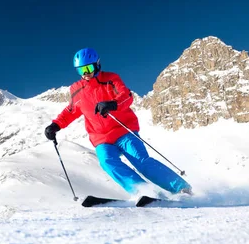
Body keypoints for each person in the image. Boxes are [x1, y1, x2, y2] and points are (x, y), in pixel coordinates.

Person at [44, 47, 192, 196]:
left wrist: (112, 104)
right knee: (107, 162)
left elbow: (127, 96)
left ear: (97, 65)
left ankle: (181, 189)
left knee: (141, 161)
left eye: (88, 68)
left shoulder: (111, 79)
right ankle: (144, 192)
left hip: (124, 131)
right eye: (81, 70)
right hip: (101, 138)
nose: (86, 73)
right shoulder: (76, 90)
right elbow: (70, 111)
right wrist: (55, 125)